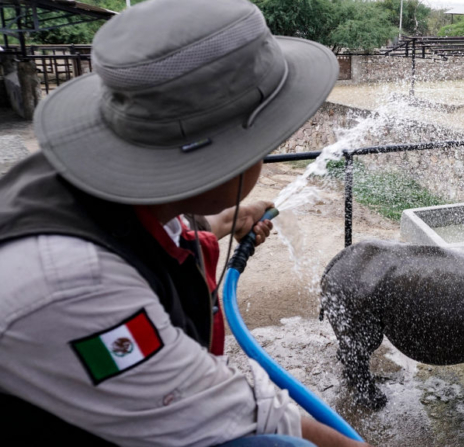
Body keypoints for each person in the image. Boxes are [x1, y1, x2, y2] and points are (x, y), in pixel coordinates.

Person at [0, 0, 366, 446]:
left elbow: (144, 240)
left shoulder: (84, 191)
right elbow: (216, 408)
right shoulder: (75, 282)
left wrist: (225, 221)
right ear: (225, 160)